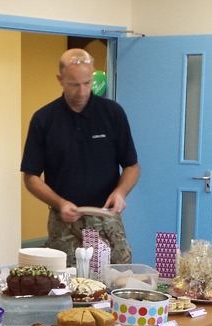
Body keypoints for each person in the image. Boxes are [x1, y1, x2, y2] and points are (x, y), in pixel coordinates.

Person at [20, 48, 140, 267]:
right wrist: (59, 203)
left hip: (106, 218)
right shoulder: (44, 119)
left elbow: (132, 166)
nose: (82, 91)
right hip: (65, 222)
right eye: (74, 84)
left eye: (87, 83)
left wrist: (120, 193)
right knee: (65, 283)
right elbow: (30, 177)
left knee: (116, 278)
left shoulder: (112, 113)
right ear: (60, 79)